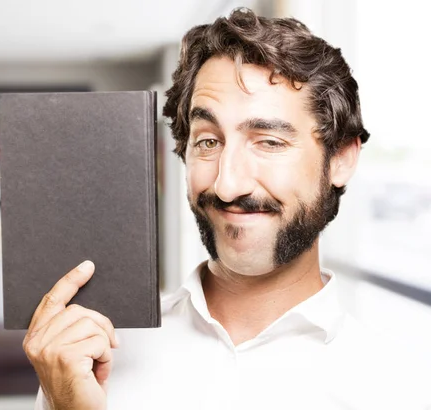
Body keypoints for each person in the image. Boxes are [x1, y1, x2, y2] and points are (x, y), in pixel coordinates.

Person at [22, 8, 429, 410]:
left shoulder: (401, 386)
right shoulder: (87, 358)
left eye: (269, 141)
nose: (227, 184)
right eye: (207, 142)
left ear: (340, 159)